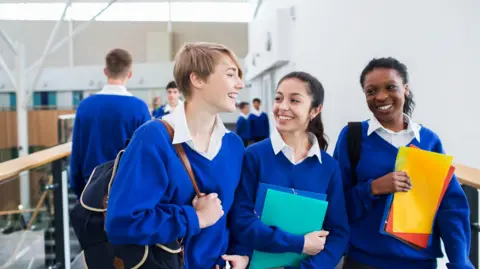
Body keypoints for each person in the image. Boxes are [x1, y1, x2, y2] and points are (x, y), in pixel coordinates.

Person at [105, 42, 250, 269]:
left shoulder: (234, 146)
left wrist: (242, 254)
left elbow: (237, 214)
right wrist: (195, 218)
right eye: (231, 74)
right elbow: (123, 222)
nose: (240, 84)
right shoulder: (153, 138)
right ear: (197, 79)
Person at [334, 57, 474, 269]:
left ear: (405, 89)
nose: (381, 96)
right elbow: (337, 205)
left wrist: (460, 262)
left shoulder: (428, 141)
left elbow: (451, 207)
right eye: (371, 91)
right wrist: (373, 188)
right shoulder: (353, 137)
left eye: (390, 87)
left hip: (419, 263)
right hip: (363, 261)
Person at [230, 71, 350, 269]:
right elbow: (241, 221)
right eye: (278, 98)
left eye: (294, 100)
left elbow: (339, 232)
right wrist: (300, 244)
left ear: (315, 110)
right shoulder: (253, 156)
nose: (282, 106)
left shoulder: (328, 167)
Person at [69, 48, 150, 198]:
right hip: (126, 190)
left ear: (105, 71)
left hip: (91, 187)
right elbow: (146, 155)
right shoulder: (139, 108)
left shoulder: (85, 106)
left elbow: (77, 150)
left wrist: (78, 188)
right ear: (130, 74)